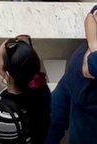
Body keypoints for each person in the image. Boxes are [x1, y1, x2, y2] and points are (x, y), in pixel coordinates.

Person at [45, 8, 97, 144]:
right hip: (70, 81)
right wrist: (94, 45)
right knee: (48, 124)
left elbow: (89, 68)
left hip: (89, 107)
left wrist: (93, 45)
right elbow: (91, 17)